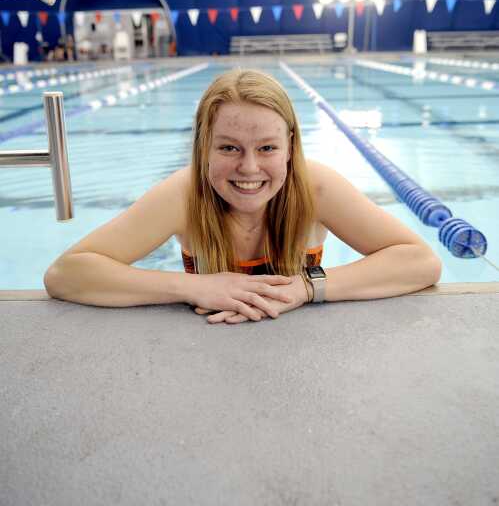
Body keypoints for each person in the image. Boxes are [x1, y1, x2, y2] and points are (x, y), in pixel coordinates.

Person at [44, 68, 442, 324]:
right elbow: (67, 273)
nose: (249, 169)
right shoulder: (185, 195)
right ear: (204, 148)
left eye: (267, 148)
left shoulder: (315, 187)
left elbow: (421, 262)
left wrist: (307, 287)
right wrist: (194, 287)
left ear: (290, 147)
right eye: (229, 148)